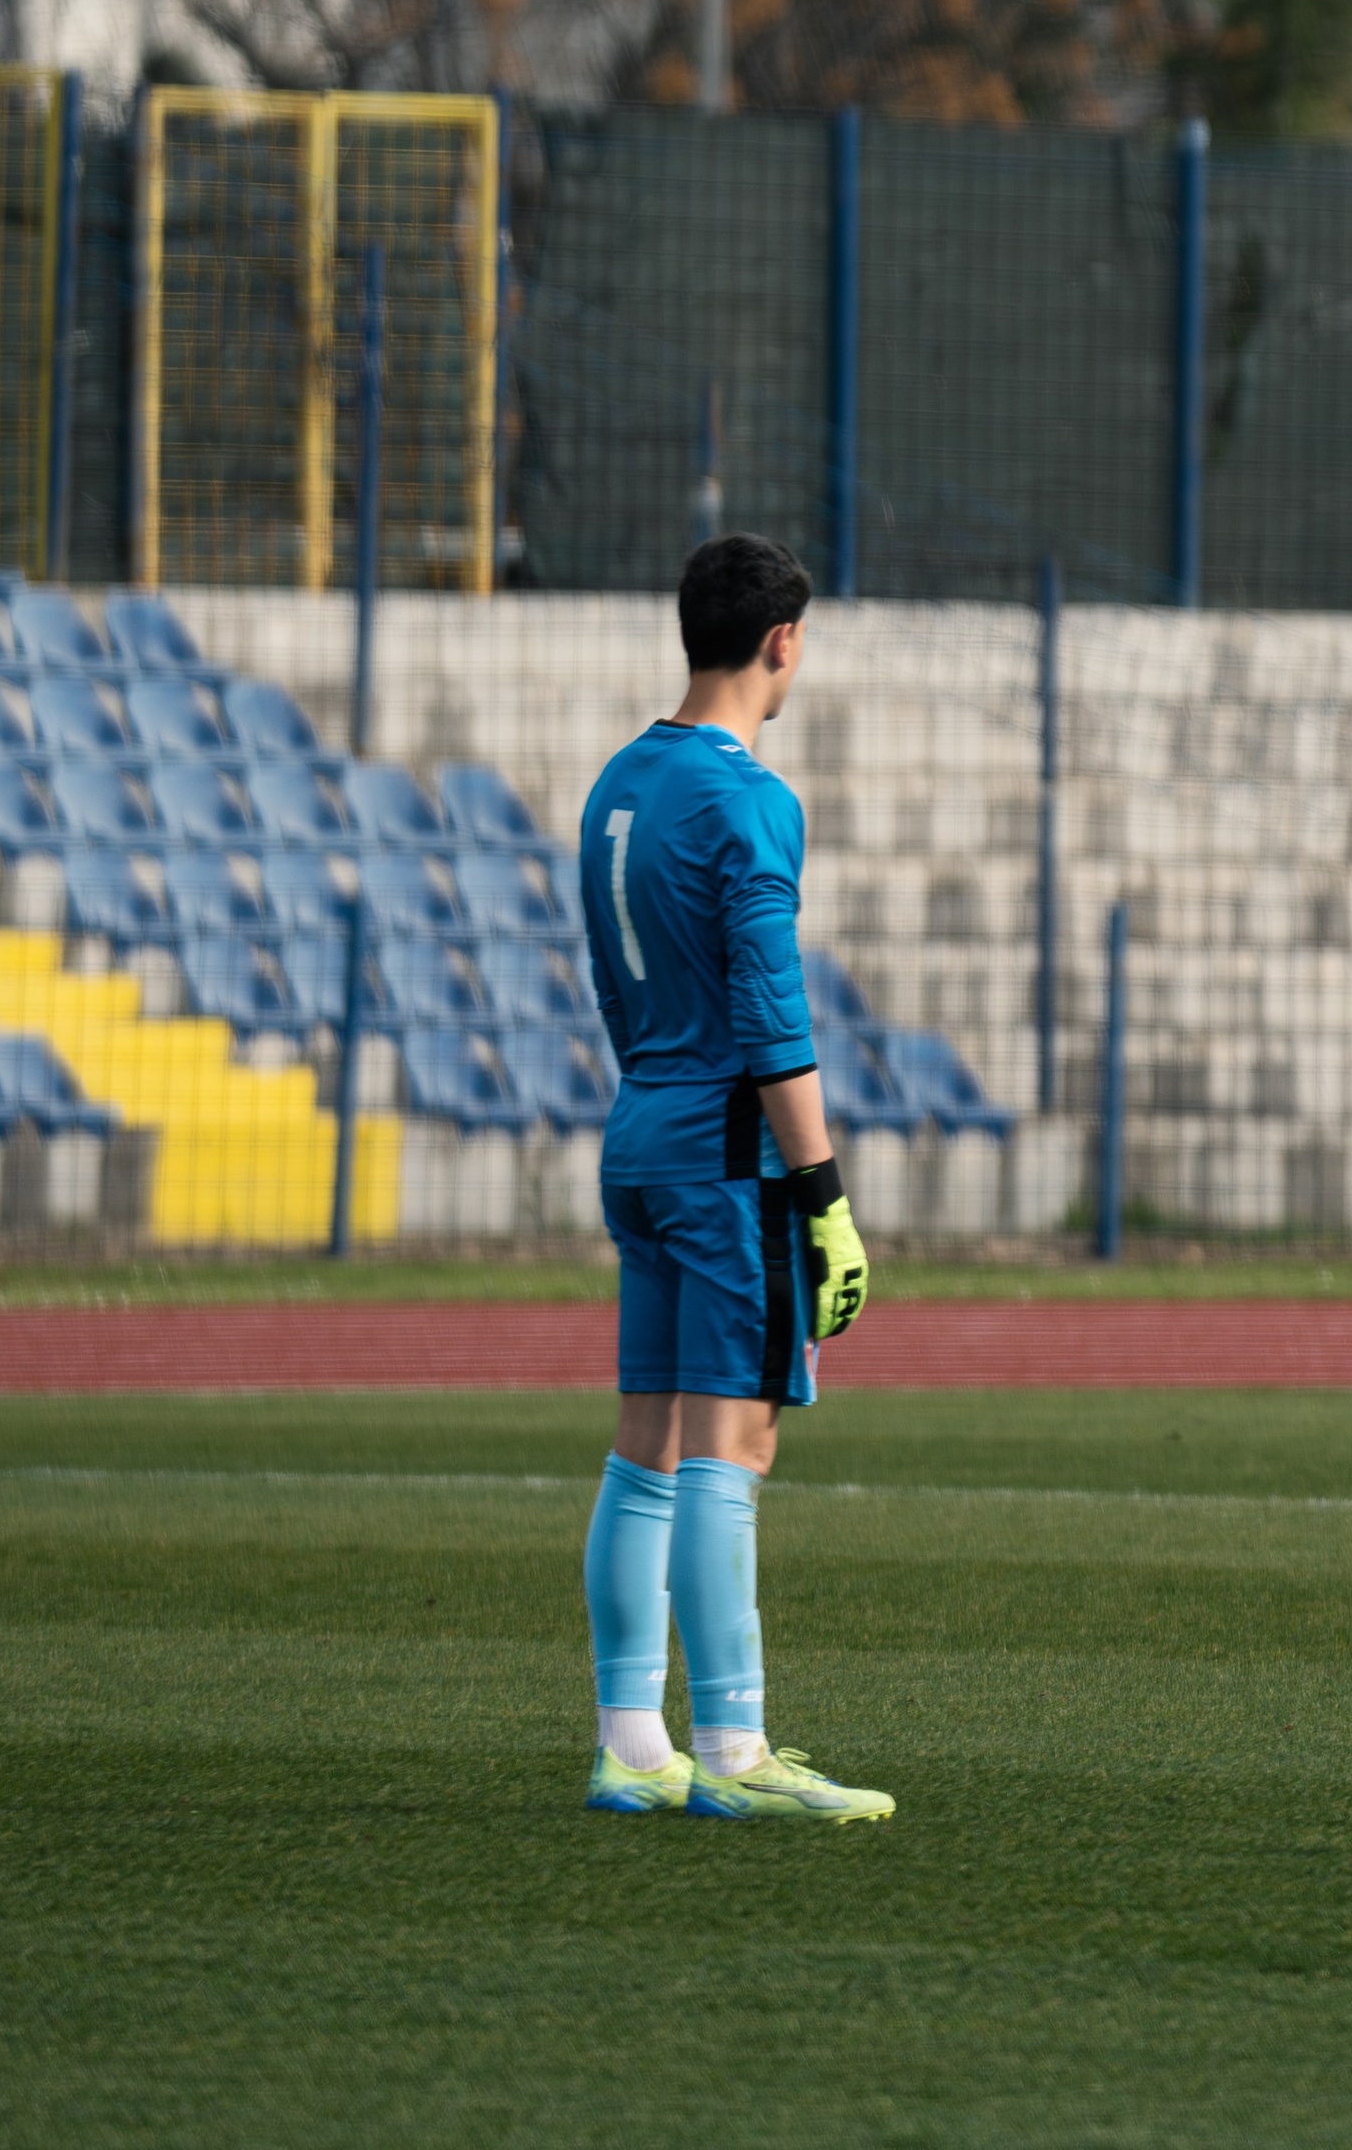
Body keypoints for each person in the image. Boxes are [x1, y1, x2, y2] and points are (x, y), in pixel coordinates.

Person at [574, 528, 891, 1824]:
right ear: (781, 641)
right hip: (722, 1159)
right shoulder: (750, 797)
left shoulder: (617, 784)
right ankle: (741, 1755)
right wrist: (824, 1200)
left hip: (641, 1129)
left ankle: (633, 1746)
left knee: (644, 1448)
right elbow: (773, 1013)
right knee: (733, 1443)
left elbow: (612, 972)